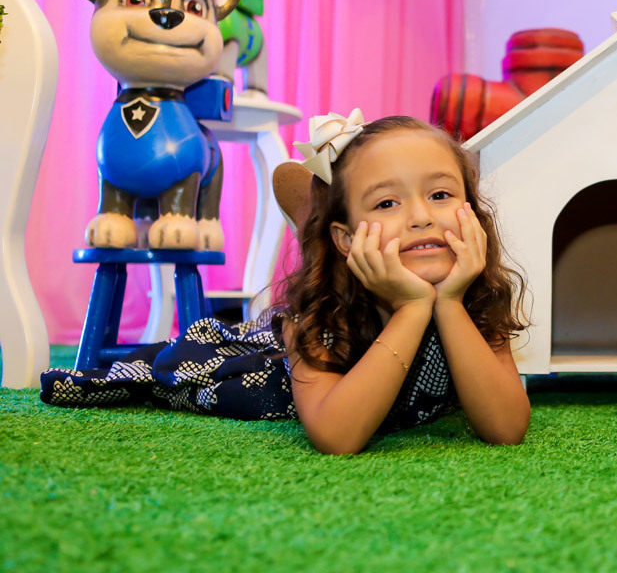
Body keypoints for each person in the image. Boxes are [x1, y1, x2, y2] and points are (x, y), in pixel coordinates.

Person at [42, 112, 530, 455]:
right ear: (346, 239)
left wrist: (448, 303)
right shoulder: (316, 320)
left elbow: (506, 428)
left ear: (472, 212)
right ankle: (315, 226)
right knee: (177, 369)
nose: (421, 217)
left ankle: (318, 215)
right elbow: (337, 437)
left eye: (440, 194)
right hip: (261, 368)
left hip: (419, 292)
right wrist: (412, 309)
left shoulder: (478, 300)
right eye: (387, 203)